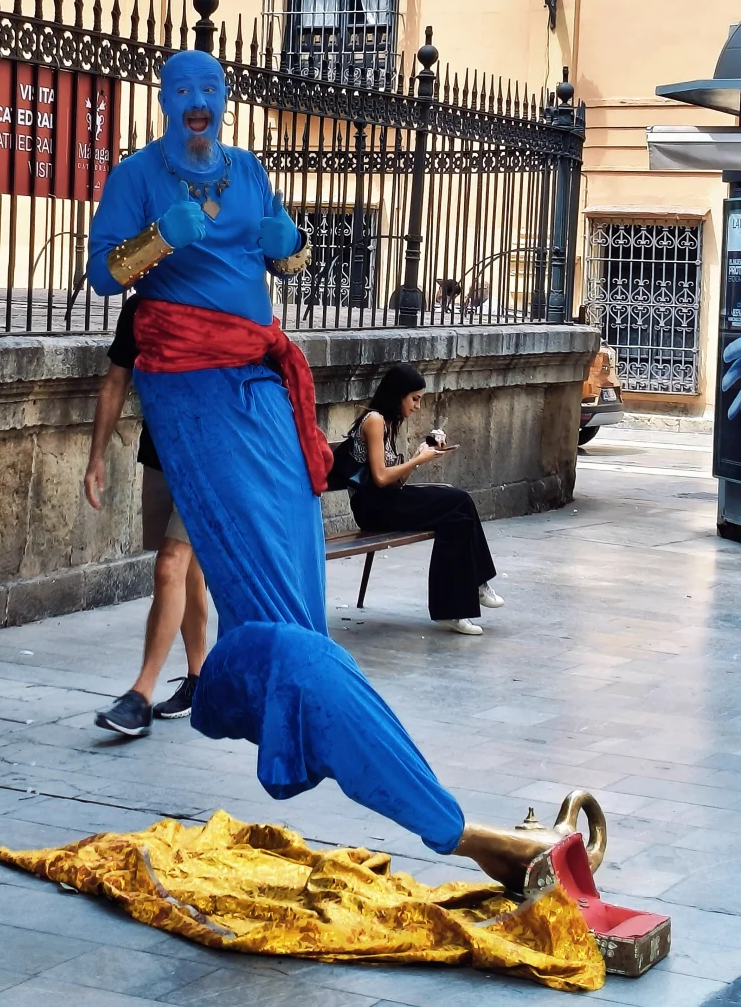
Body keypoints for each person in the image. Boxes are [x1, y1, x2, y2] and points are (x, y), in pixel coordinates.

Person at [85, 46, 581, 893]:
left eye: (211, 89)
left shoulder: (247, 170)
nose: (198, 101)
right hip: (194, 393)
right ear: (166, 100)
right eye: (184, 90)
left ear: (224, 98)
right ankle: (454, 825)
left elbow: (290, 259)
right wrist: (161, 237)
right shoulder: (137, 176)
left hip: (268, 390)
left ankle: (262, 700)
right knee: (286, 636)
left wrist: (292, 245)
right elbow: (104, 274)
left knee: (301, 615)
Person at [85, 295, 208, 737]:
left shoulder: (217, 298)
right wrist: (96, 456)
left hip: (209, 458)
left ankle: (140, 694)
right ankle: (199, 678)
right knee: (188, 571)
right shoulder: (139, 309)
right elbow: (116, 380)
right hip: (160, 454)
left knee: (169, 564)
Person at [344, 363, 504, 635]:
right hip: (373, 507)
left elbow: (395, 480)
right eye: (415, 399)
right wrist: (418, 460)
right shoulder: (374, 421)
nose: (417, 406)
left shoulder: (387, 422)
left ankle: (453, 611)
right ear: (399, 395)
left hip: (387, 499)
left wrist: (420, 455)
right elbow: (380, 478)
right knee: (459, 500)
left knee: (458, 518)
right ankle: (476, 584)